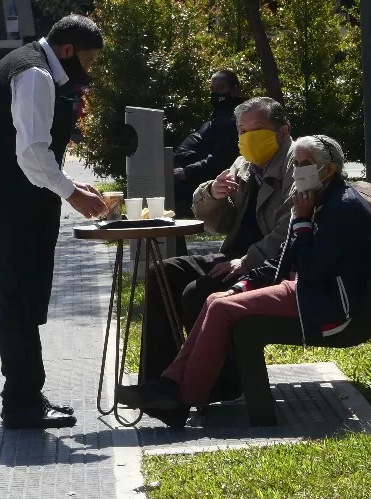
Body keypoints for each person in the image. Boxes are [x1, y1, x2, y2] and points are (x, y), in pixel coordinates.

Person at [119, 135, 371, 427]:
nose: (296, 170)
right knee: (216, 298)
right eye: (295, 163)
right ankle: (168, 385)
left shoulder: (342, 208)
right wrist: (242, 285)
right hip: (302, 290)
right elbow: (284, 260)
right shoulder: (313, 197)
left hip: (325, 302)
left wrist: (303, 221)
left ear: (328, 170)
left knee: (220, 309)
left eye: (305, 164)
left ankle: (182, 398)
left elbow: (313, 269)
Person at [0, 14, 108, 430]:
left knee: (19, 299)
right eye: (90, 59)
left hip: (5, 197)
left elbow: (31, 152)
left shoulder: (30, 64)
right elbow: (30, 154)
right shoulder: (36, 76)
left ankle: (26, 395)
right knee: (15, 300)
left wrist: (66, 182)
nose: (90, 69)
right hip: (3, 201)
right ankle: (21, 403)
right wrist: (71, 192)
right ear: (67, 51)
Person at [139, 96, 295, 405]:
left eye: (258, 129)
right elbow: (214, 222)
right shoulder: (245, 163)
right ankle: (156, 384)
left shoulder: (298, 165)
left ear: (283, 132)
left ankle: (219, 381)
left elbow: (290, 231)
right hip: (233, 256)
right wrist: (213, 193)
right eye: (242, 131)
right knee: (162, 272)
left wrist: (247, 261)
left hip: (270, 265)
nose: (249, 139)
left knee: (198, 291)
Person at [173, 70, 244, 217]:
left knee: (172, 190)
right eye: (212, 90)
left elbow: (222, 159)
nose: (216, 94)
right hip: (201, 175)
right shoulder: (216, 119)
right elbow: (196, 139)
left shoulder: (239, 119)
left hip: (219, 181)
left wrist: (188, 172)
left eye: (221, 88)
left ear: (235, 90)